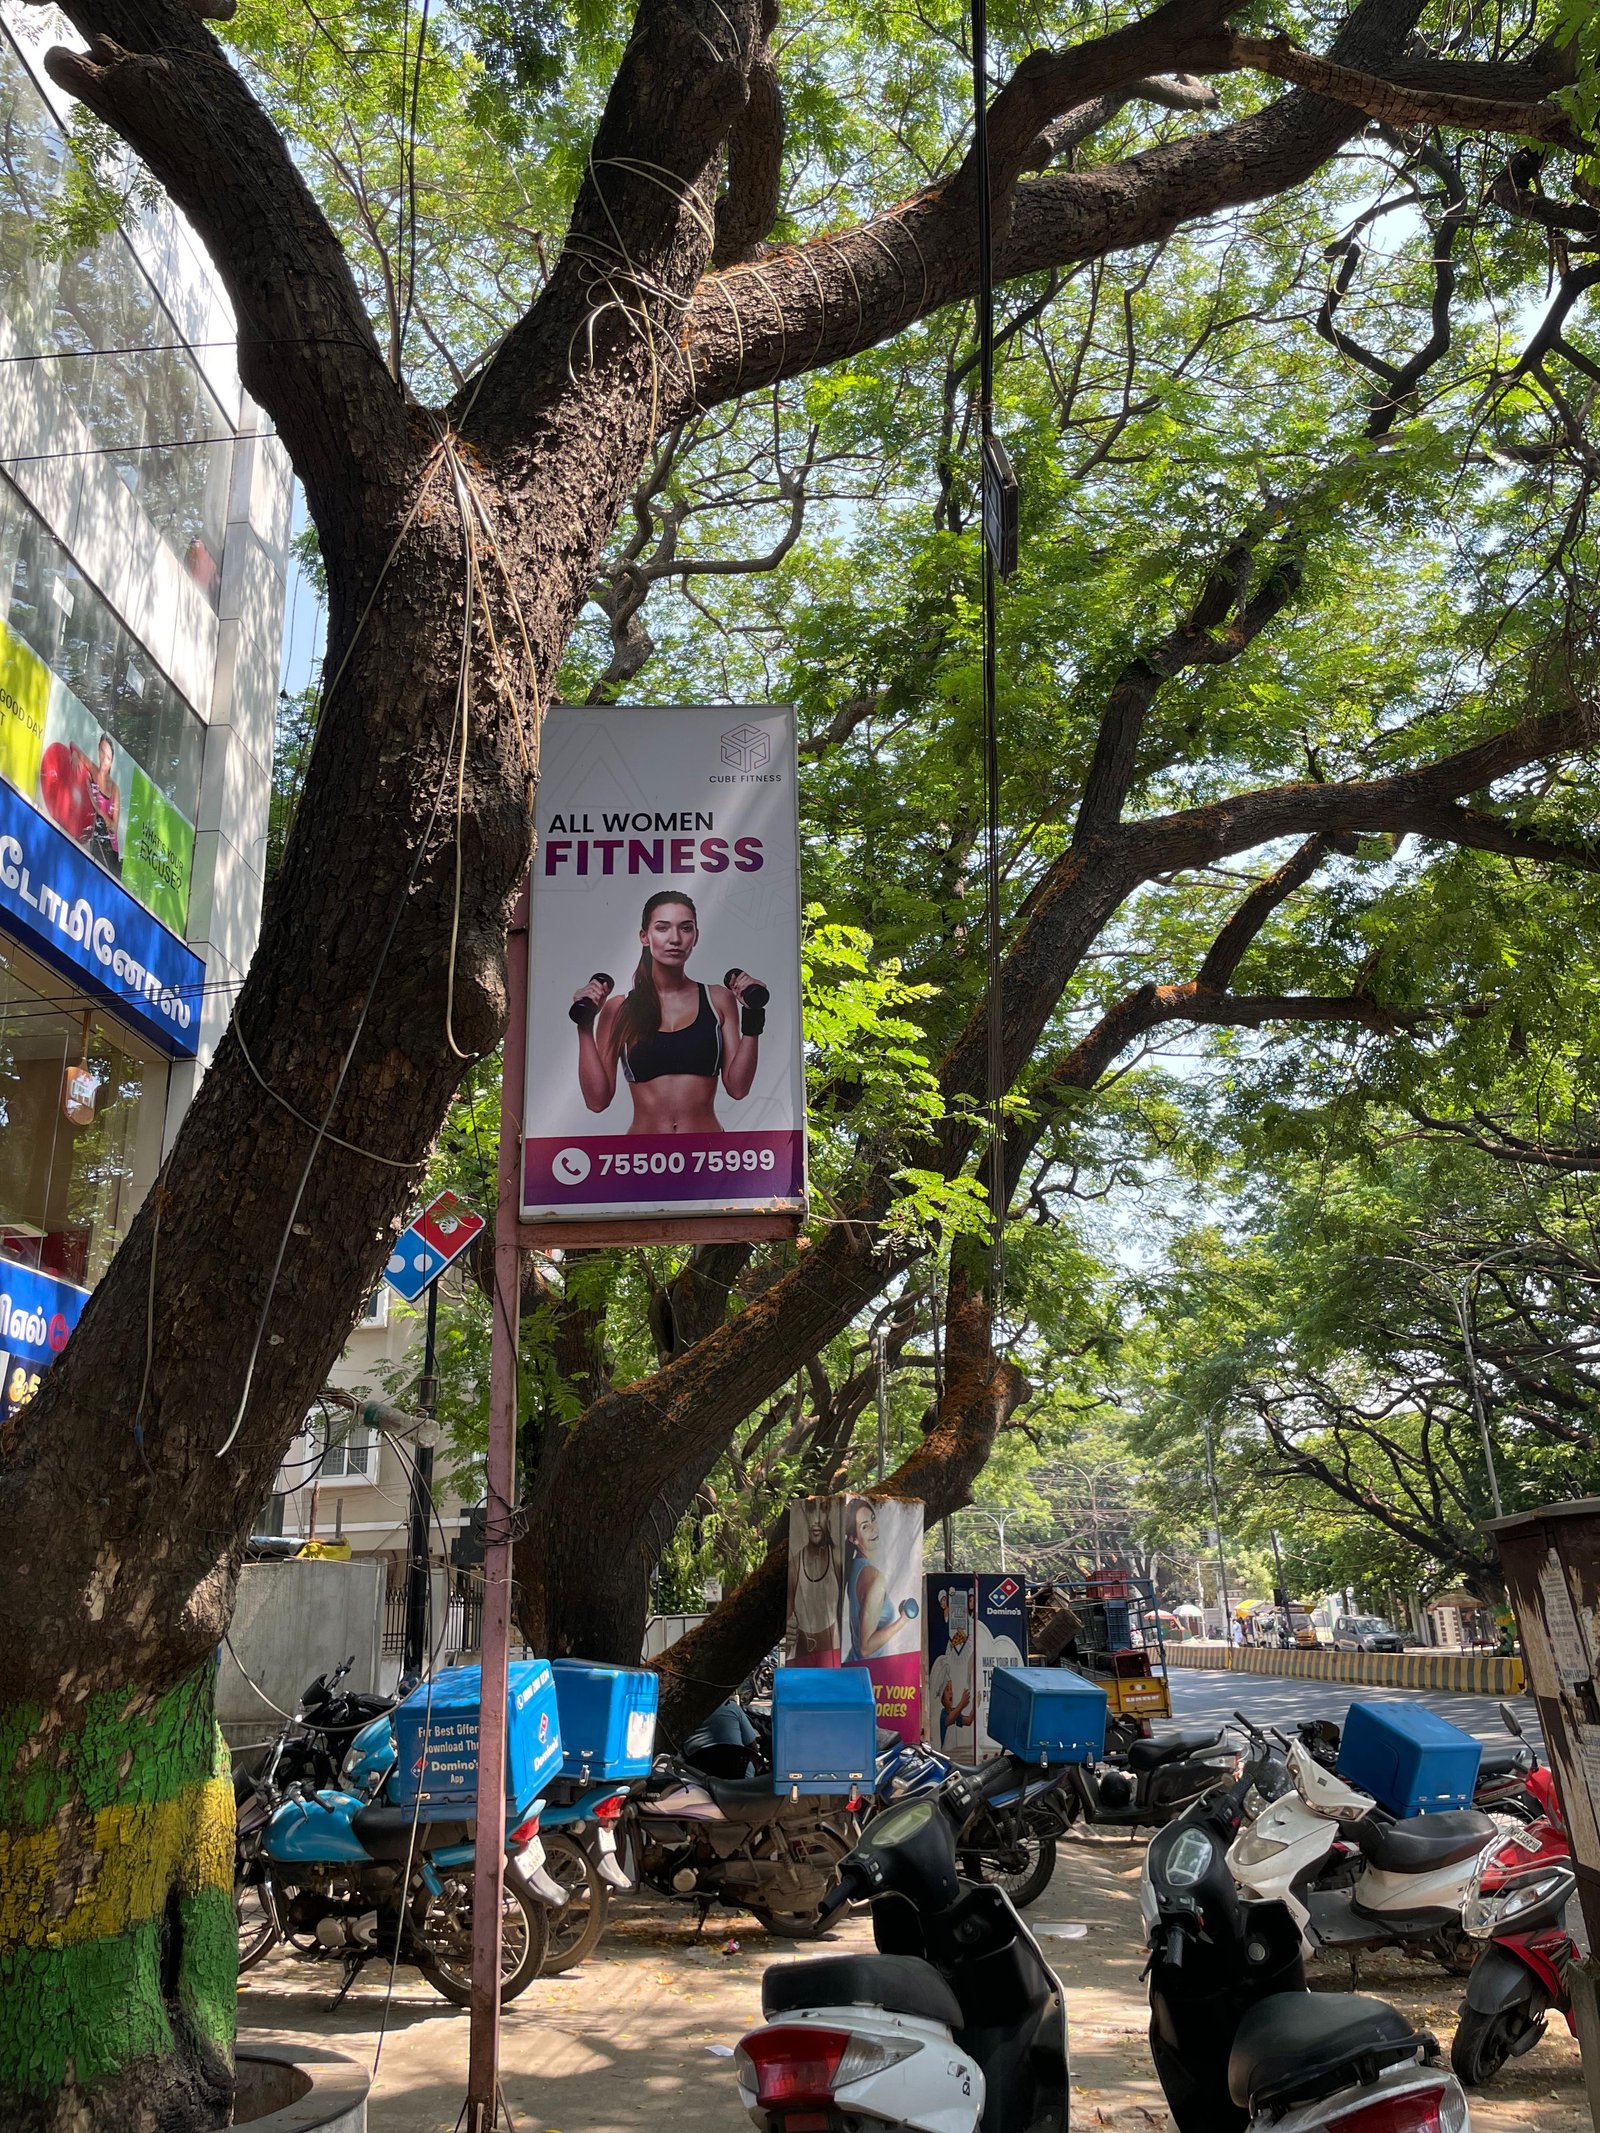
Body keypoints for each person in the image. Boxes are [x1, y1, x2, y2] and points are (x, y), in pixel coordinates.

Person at [571, 891, 765, 1133]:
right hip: (643, 1150)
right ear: (645, 936)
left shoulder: (718, 999)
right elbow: (596, 1101)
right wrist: (585, 1026)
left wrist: (753, 1014)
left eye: (685, 928)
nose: (675, 938)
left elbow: (738, 1088)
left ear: (695, 936)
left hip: (707, 1148)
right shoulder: (619, 1008)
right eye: (662, 928)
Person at [844, 1496, 915, 1662]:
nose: (874, 1528)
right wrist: (904, 1620)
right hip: (871, 1671)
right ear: (854, 1539)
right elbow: (865, 1648)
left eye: (873, 1519)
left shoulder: (854, 1566)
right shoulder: (874, 1578)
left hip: (856, 1668)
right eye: (865, 1527)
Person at [786, 1498, 841, 1664]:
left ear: (829, 1514)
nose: (816, 1519)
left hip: (833, 1656)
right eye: (810, 1510)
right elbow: (788, 1624)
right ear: (804, 1515)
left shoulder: (837, 1559)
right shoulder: (794, 1565)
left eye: (823, 1509)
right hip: (801, 1659)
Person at [85, 735, 121, 876]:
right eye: (102, 752)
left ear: (111, 761)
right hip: (93, 836)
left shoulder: (114, 789)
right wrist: (75, 756)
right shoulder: (93, 771)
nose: (104, 759)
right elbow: (74, 747)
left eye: (108, 757)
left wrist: (97, 807)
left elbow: (113, 827)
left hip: (109, 848)